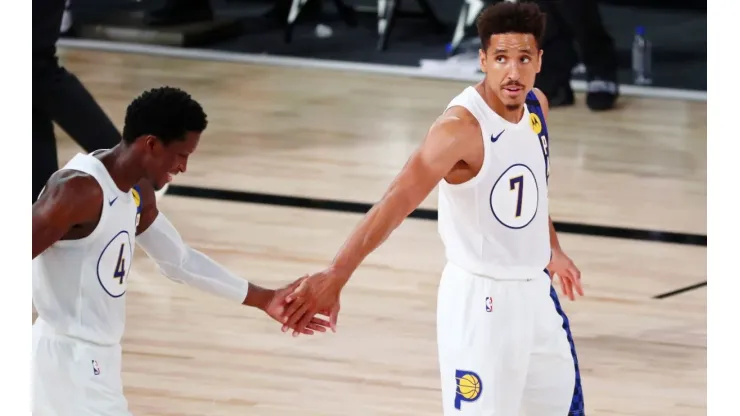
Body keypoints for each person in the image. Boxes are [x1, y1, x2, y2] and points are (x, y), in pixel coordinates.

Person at [278, 2, 586, 415]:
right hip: (482, 300)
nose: (512, 72)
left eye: (523, 59)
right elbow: (397, 199)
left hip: (536, 295)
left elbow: (530, 191)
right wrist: (337, 273)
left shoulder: (537, 106)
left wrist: (553, 249)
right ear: (482, 60)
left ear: (539, 61)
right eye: (500, 59)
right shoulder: (459, 129)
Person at [31, 86, 330, 415]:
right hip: (68, 361)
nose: (184, 167)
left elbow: (179, 260)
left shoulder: (137, 191)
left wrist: (265, 298)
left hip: (96, 358)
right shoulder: (75, 192)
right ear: (151, 145)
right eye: (181, 154)